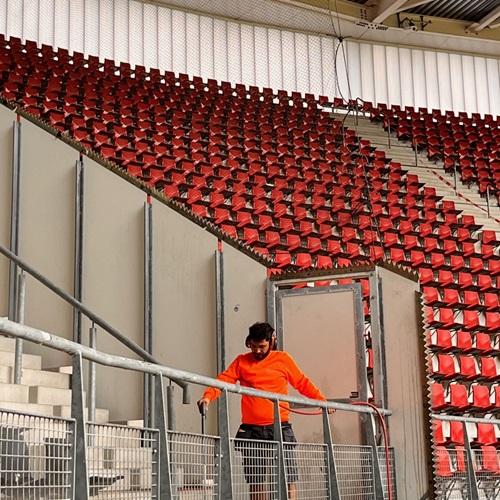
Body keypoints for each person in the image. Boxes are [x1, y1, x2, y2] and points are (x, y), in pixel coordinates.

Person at [197, 322, 330, 500]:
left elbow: (302, 382)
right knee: (256, 480)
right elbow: (223, 380)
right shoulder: (241, 361)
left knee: (288, 477)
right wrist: (207, 396)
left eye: (262, 346)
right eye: (254, 346)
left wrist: (322, 401)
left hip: (280, 427)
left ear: (272, 341)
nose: (258, 351)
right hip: (252, 430)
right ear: (248, 342)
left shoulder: (283, 359)